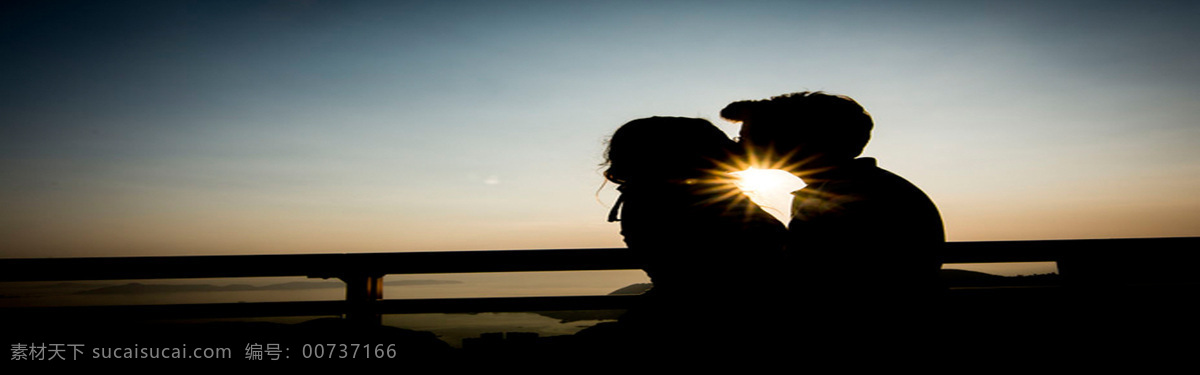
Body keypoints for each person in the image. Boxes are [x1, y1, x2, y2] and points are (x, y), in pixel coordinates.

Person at [721, 92, 945, 348]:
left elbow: (814, 284)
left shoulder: (852, 197)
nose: (740, 144)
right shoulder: (864, 187)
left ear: (789, 139)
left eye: (748, 135)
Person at [581, 116, 788, 355]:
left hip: (686, 322)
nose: (734, 146)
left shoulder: (659, 197)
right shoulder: (682, 201)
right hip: (717, 329)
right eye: (722, 141)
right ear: (693, 152)